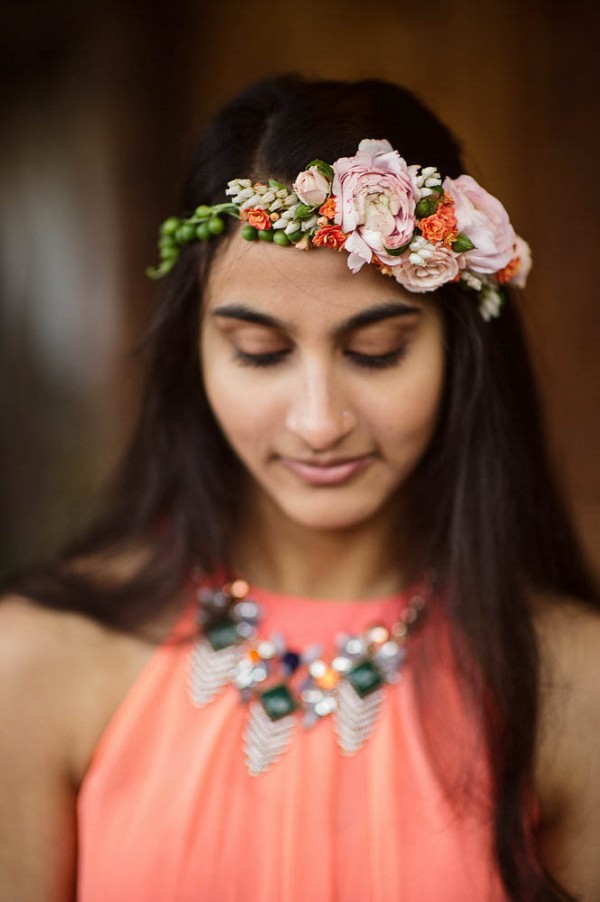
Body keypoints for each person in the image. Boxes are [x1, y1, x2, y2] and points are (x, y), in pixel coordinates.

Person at [1, 74, 599, 902]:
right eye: (259, 351)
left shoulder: (575, 682)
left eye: (377, 352)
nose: (319, 423)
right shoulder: (38, 660)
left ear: (462, 354)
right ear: (195, 357)